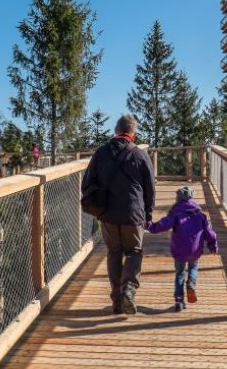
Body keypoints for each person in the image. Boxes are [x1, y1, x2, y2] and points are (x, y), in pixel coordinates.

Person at [82, 114, 155, 315]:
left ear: (116, 131)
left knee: (114, 252)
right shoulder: (140, 155)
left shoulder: (101, 153)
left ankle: (116, 299)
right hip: (133, 213)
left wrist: (98, 207)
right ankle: (129, 291)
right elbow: (150, 187)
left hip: (108, 214)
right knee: (134, 251)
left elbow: (87, 183)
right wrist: (148, 213)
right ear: (133, 133)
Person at [147, 186, 218, 312]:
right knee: (193, 267)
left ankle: (179, 301)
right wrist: (213, 245)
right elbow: (210, 233)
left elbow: (162, 225)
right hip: (195, 250)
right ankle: (191, 283)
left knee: (179, 274)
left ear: (178, 199)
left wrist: (150, 226)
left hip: (179, 250)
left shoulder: (176, 214)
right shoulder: (201, 216)